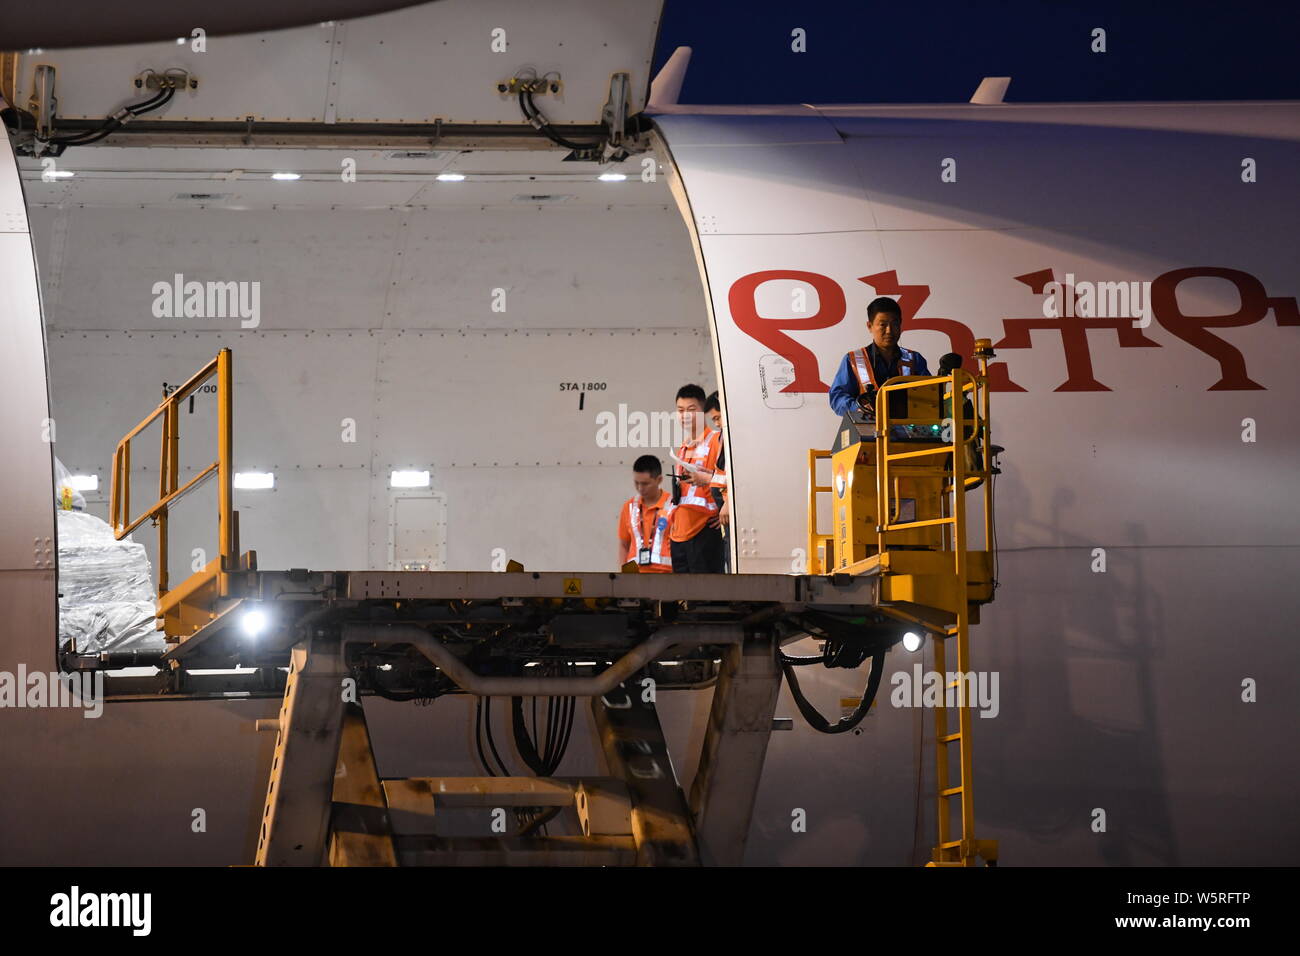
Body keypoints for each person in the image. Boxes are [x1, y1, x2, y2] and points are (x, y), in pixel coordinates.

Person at [828, 296, 930, 419]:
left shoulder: (915, 359)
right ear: (870, 326)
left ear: (901, 324)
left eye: (895, 324)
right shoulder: (853, 360)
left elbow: (931, 395)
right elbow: (838, 397)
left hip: (909, 432)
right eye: (883, 325)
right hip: (869, 431)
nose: (889, 331)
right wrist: (859, 408)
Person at [668, 384, 726, 573]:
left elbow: (732, 479)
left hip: (705, 530)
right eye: (680, 410)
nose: (685, 415)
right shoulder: (684, 447)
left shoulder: (717, 440)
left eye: (691, 410)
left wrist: (726, 509)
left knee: (708, 596)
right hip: (680, 532)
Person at [616, 454, 674, 572]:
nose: (640, 488)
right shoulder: (629, 507)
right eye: (636, 483)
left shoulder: (673, 505)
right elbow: (623, 544)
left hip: (666, 575)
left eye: (645, 483)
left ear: (659, 480)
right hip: (634, 576)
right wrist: (622, 573)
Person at [704, 391, 731, 572]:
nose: (717, 423)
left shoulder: (734, 437)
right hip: (724, 510)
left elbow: (737, 474)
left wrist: (728, 502)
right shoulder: (721, 437)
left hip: (730, 509)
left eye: (718, 418)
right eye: (713, 420)